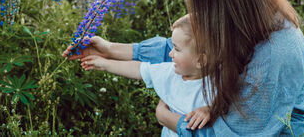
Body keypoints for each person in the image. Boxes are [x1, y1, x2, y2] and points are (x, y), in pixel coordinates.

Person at [64, 0, 304, 136]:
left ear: (224, 2)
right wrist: (108, 49)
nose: (194, 9)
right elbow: (186, 48)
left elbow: (228, 134)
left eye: (199, 1)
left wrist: (169, 119)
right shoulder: (251, 19)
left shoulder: (274, 55)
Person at [67, 15, 212, 136]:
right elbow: (139, 69)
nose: (170, 54)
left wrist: (210, 109)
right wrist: (103, 63)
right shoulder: (169, 72)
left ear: (200, 60)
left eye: (177, 49)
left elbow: (227, 103)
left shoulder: (219, 84)